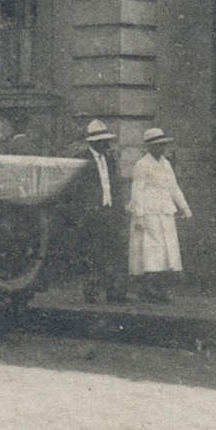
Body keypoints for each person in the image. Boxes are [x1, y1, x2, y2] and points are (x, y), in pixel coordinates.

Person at [127, 127, 193, 302]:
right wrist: (139, 216)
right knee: (151, 252)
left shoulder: (166, 163)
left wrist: (184, 207)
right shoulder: (142, 164)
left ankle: (160, 290)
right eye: (156, 146)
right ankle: (148, 290)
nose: (160, 149)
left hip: (165, 211)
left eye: (162, 145)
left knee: (166, 251)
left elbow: (173, 187)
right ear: (149, 147)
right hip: (149, 212)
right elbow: (137, 191)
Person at [70, 119, 125, 303]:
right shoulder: (81, 159)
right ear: (93, 142)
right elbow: (76, 189)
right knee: (92, 254)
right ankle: (91, 291)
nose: (106, 144)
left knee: (112, 252)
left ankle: (112, 292)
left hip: (108, 211)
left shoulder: (108, 158)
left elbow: (114, 184)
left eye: (106, 140)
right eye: (102, 141)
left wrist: (119, 208)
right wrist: (82, 211)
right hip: (91, 213)